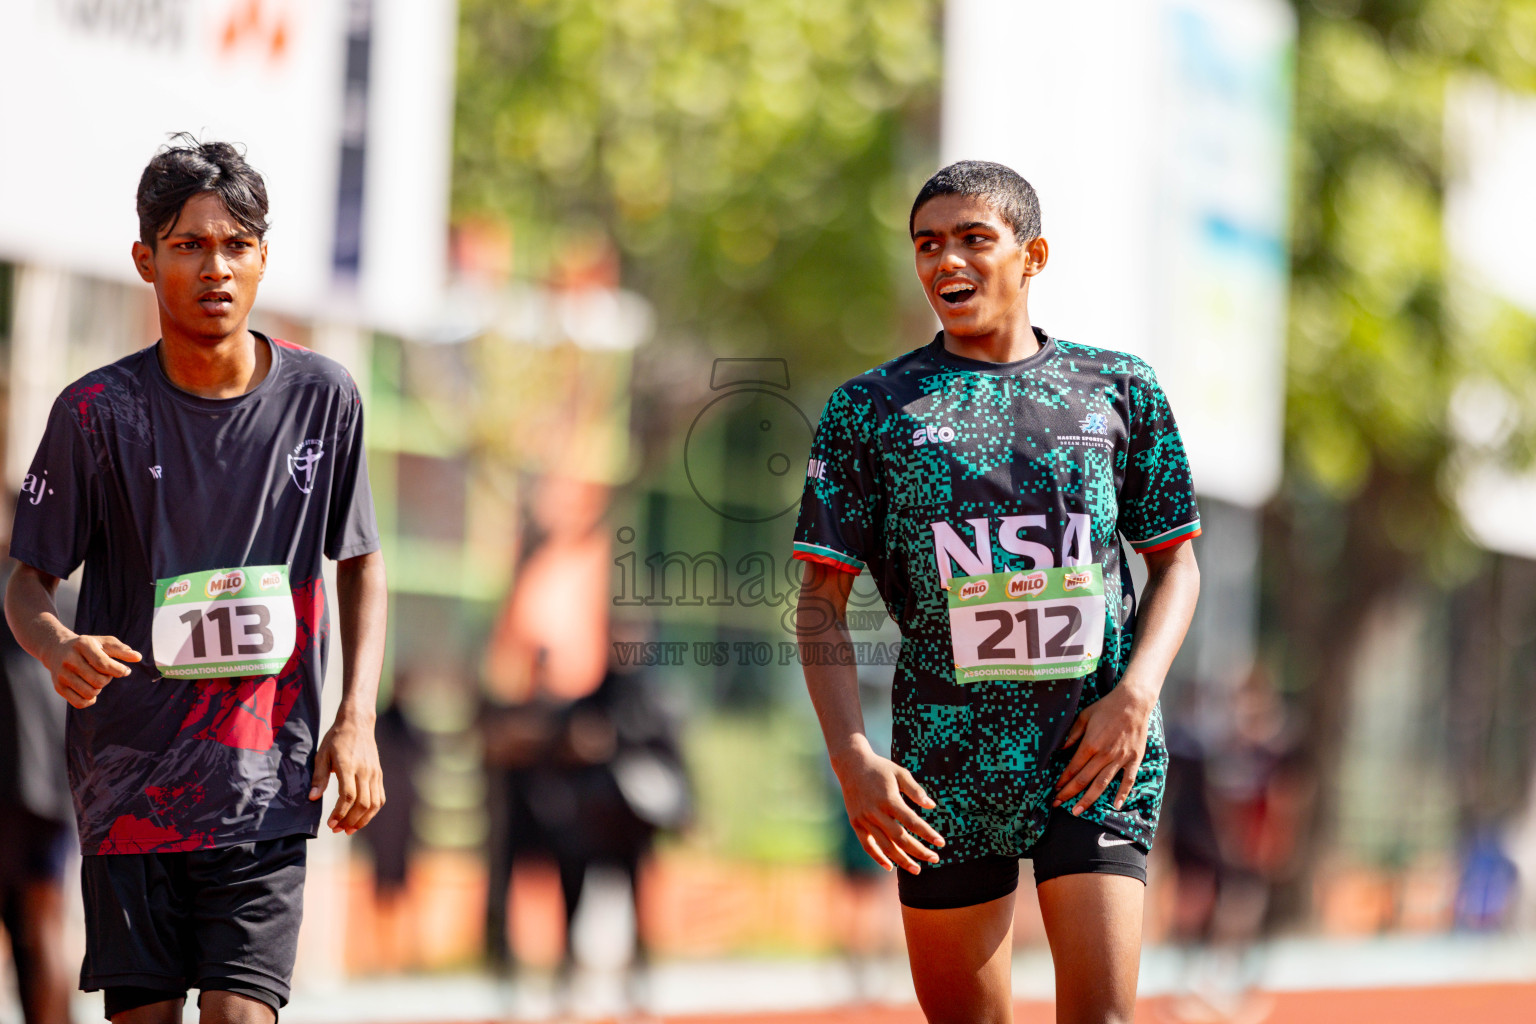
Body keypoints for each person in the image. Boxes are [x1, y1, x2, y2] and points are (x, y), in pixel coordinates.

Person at [793, 161, 1202, 1024]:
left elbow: (1177, 565)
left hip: (1094, 751)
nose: (949, 262)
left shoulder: (1119, 389)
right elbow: (819, 603)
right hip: (946, 765)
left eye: (975, 239)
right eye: (928, 245)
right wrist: (852, 758)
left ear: (1033, 255)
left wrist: (1136, 696)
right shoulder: (870, 411)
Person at [4, 136, 387, 1024]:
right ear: (146, 260)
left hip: (266, 785)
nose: (215, 267)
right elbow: (28, 580)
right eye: (188, 245)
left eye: (236, 244)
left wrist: (355, 719)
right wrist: (57, 643)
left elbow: (360, 558)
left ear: (263, 258)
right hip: (129, 786)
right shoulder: (95, 413)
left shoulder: (323, 399)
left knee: (242, 1014)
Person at [0, 550, 74, 1024]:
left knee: (37, 930)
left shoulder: (27, 600)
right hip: (48, 787)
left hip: (28, 788)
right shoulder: (58, 601)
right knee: (39, 927)